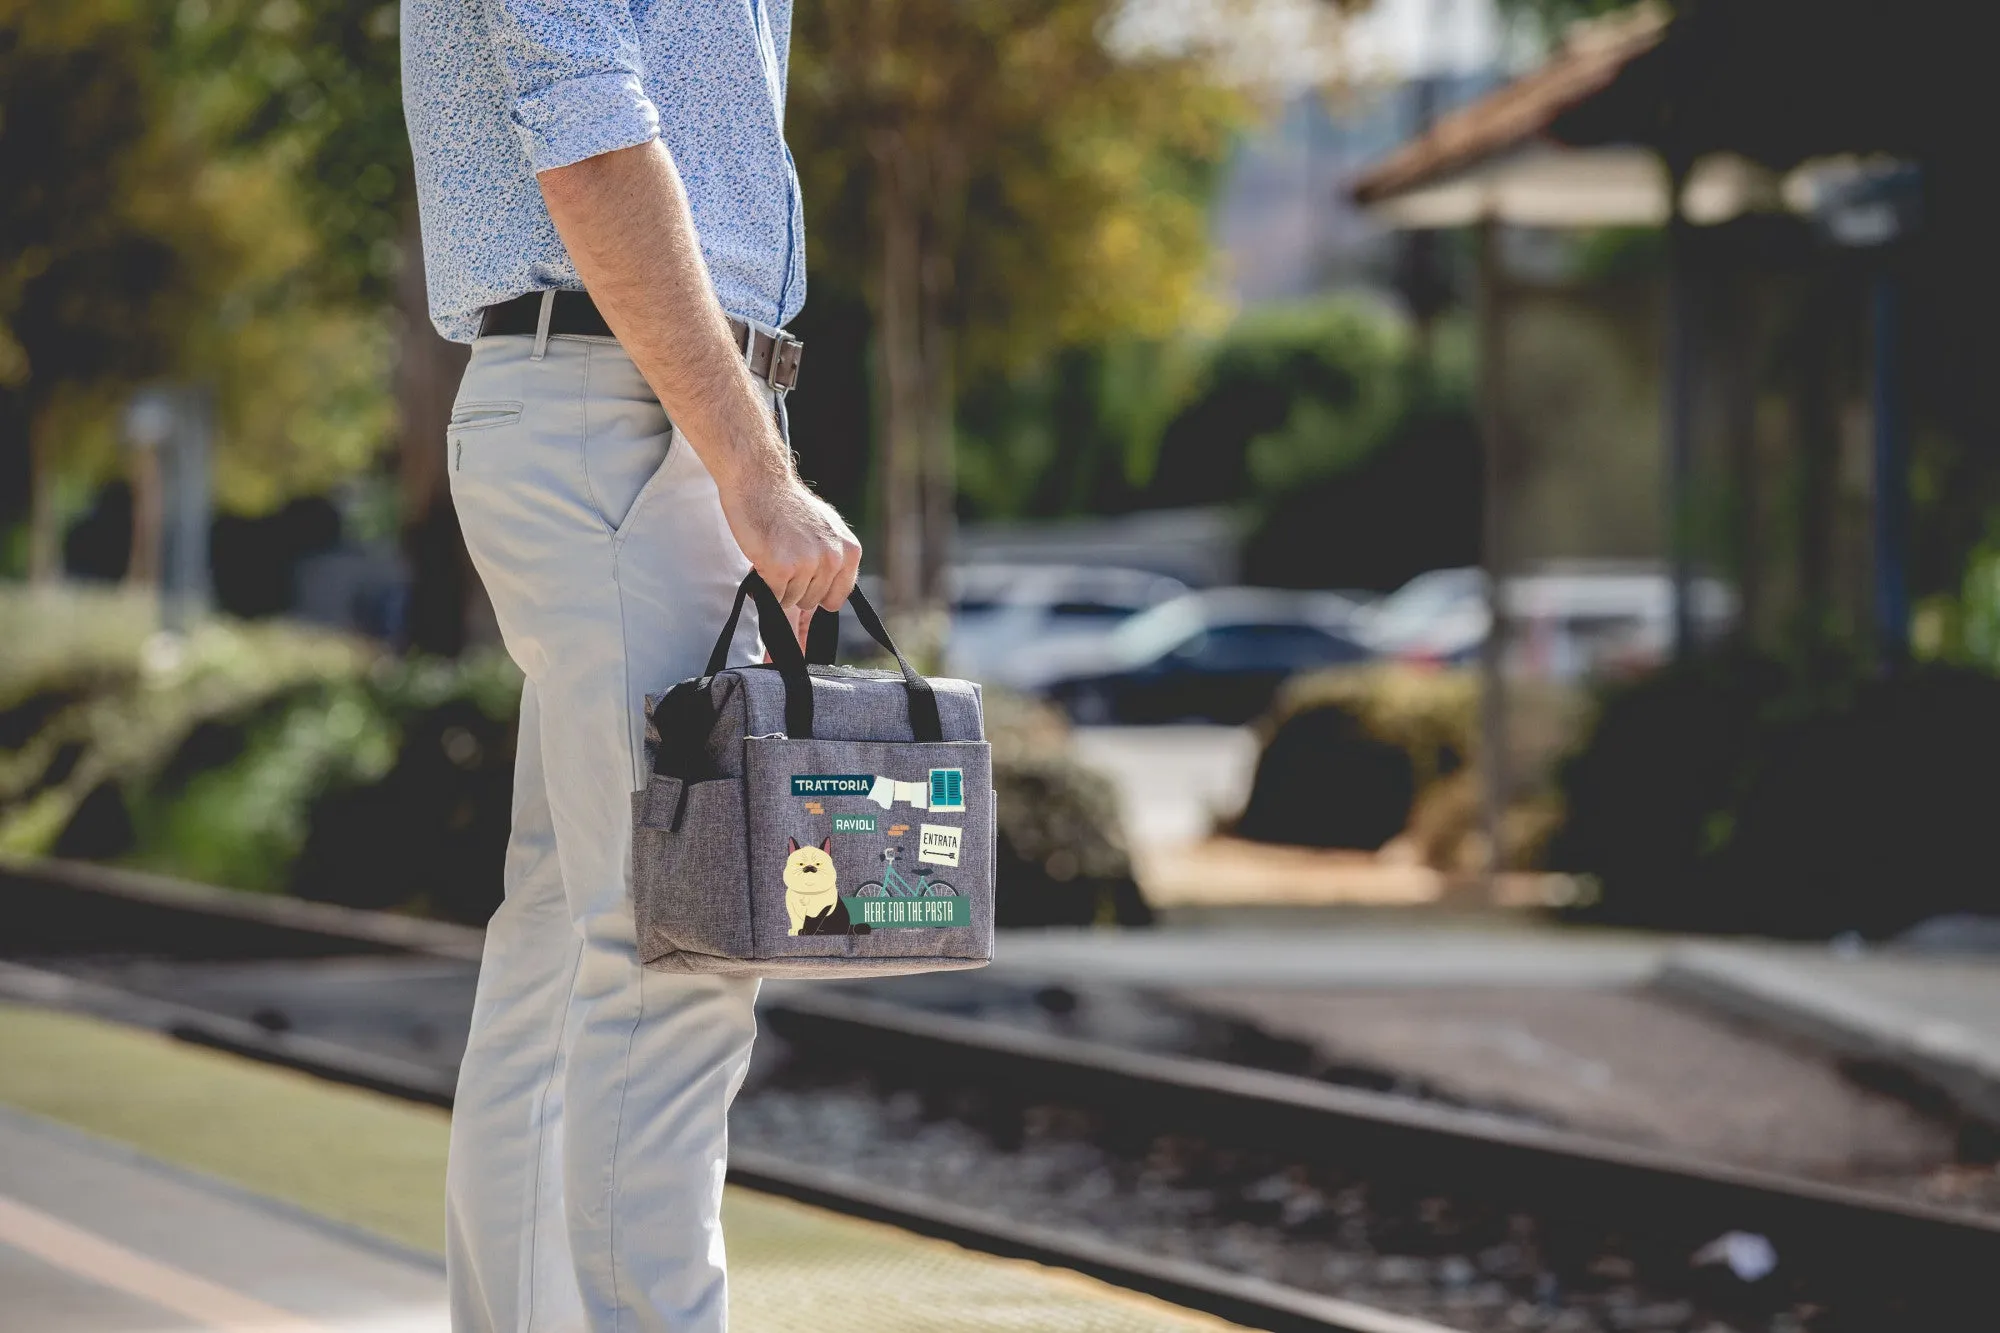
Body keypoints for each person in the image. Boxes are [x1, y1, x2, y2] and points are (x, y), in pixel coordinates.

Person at [400, 0, 859, 1327]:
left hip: (624, 402)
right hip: (630, 416)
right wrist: (753, 472)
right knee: (679, 952)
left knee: (566, 938)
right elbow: (589, 135)